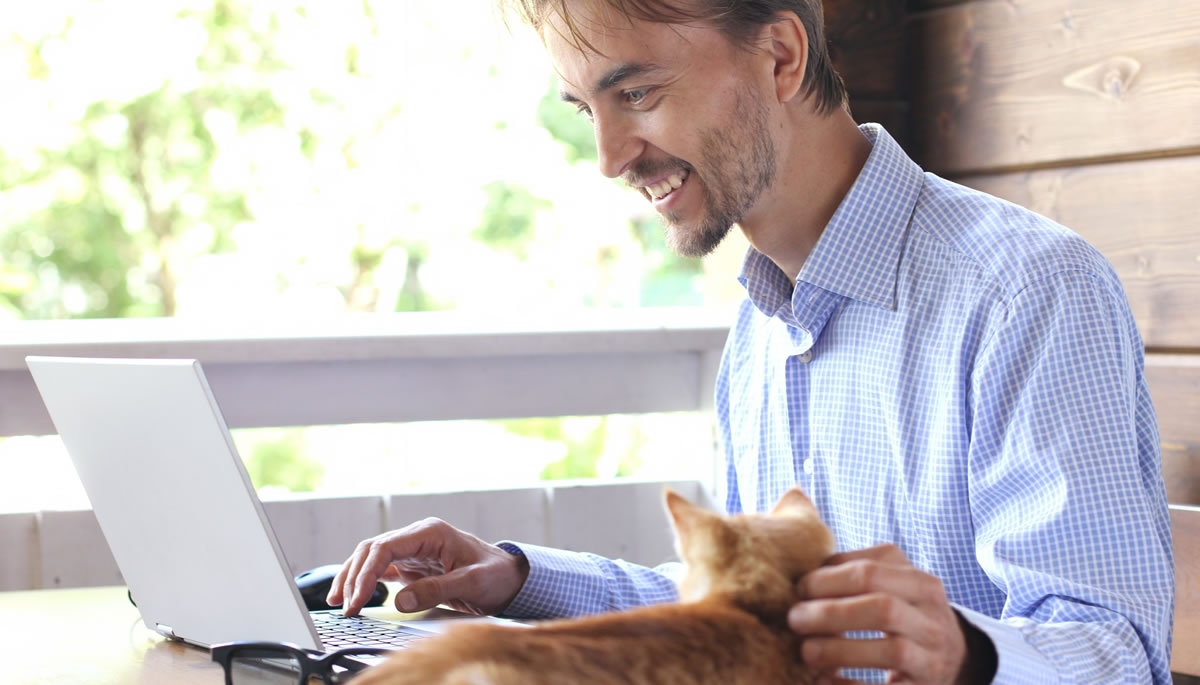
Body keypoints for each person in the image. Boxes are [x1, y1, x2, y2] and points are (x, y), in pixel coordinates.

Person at [326, 1, 1174, 682]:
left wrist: (963, 651)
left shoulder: (1029, 290)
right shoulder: (760, 330)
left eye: (638, 95)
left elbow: (1119, 652)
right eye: (588, 109)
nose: (610, 158)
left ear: (780, 57)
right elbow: (744, 611)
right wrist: (515, 576)